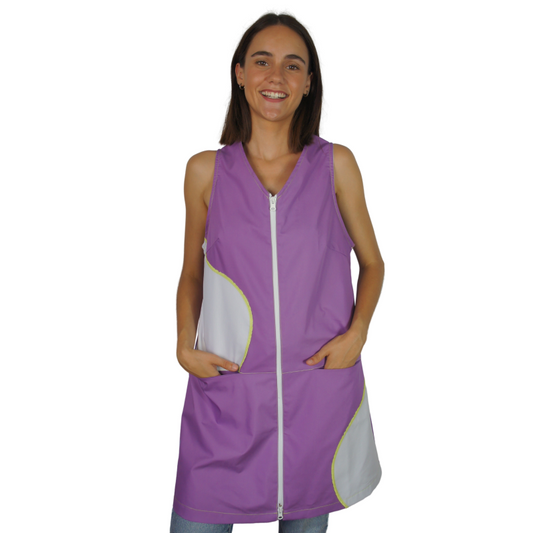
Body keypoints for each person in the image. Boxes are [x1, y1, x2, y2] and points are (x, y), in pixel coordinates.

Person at [170, 12, 385, 533]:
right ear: (239, 73)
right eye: (262, 61)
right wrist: (183, 344)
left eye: (293, 65)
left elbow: (373, 262)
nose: (276, 76)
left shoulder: (335, 165)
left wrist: (358, 333)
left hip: (317, 394)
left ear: (308, 82)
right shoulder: (205, 171)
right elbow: (192, 271)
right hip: (228, 396)